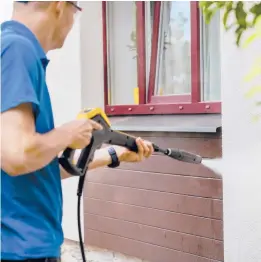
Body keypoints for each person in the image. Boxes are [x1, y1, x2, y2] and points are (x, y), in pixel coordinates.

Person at [0, 2, 154, 261]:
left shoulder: (12, 49)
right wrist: (68, 133)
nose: (74, 21)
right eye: (76, 10)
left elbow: (37, 167)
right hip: (22, 250)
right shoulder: (17, 50)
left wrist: (114, 154)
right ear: (59, 6)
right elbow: (15, 157)